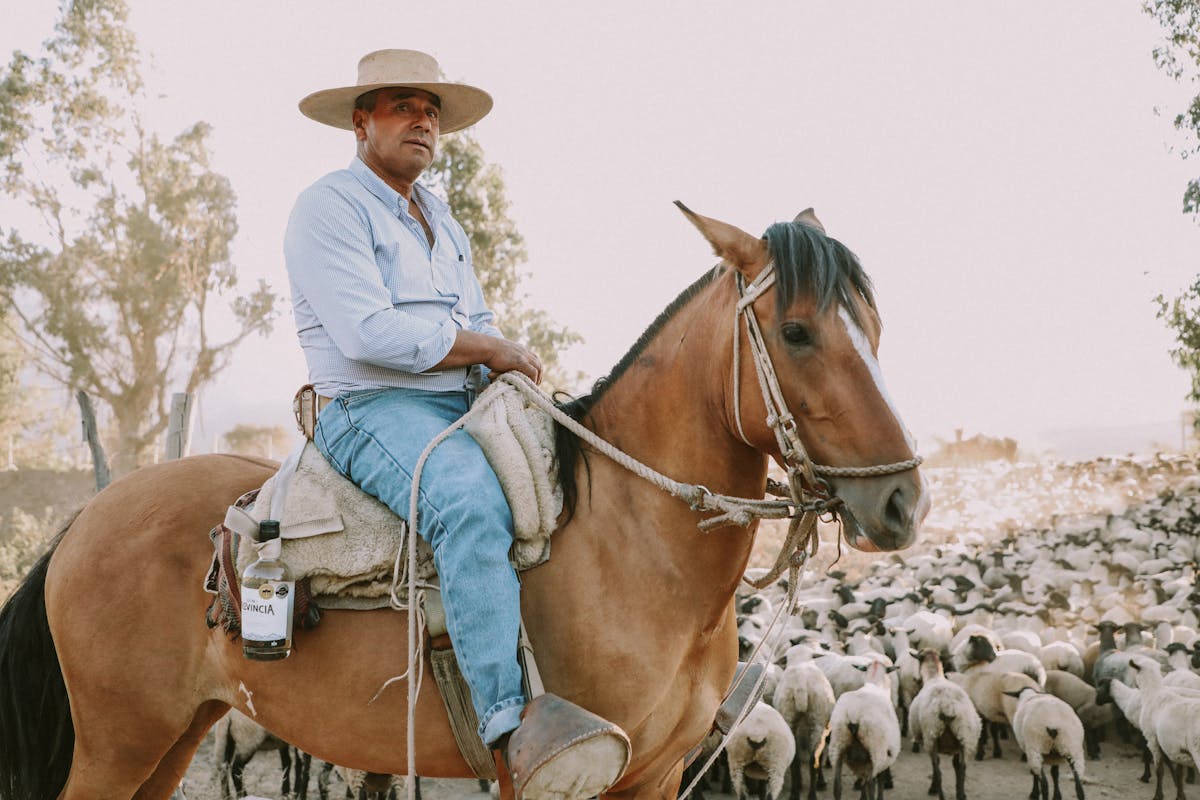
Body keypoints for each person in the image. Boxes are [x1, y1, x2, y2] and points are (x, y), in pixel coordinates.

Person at [285, 49, 541, 754]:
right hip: (371, 406)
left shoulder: (439, 217)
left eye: (431, 111)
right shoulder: (329, 207)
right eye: (404, 106)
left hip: (460, 398)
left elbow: (479, 316)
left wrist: (506, 362)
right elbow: (367, 333)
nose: (423, 121)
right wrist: (488, 352)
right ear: (361, 123)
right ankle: (506, 721)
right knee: (469, 503)